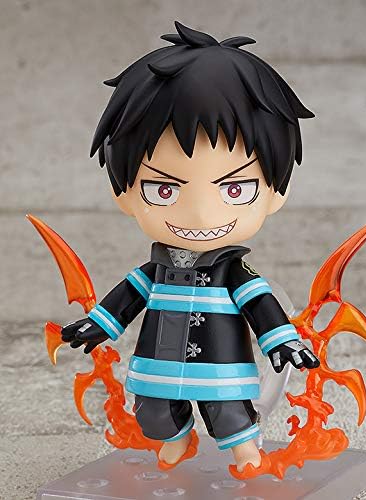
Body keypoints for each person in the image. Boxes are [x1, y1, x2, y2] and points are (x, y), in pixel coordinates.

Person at [62, 21, 319, 473]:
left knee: (229, 414)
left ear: (276, 192)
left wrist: (282, 343)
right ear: (123, 193)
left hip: (222, 365)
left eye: (235, 189)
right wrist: (98, 325)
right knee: (153, 413)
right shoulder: (154, 271)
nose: (200, 215)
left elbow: (261, 306)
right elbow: (127, 298)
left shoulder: (233, 272)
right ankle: (177, 439)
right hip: (157, 363)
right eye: (164, 190)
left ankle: (245, 453)